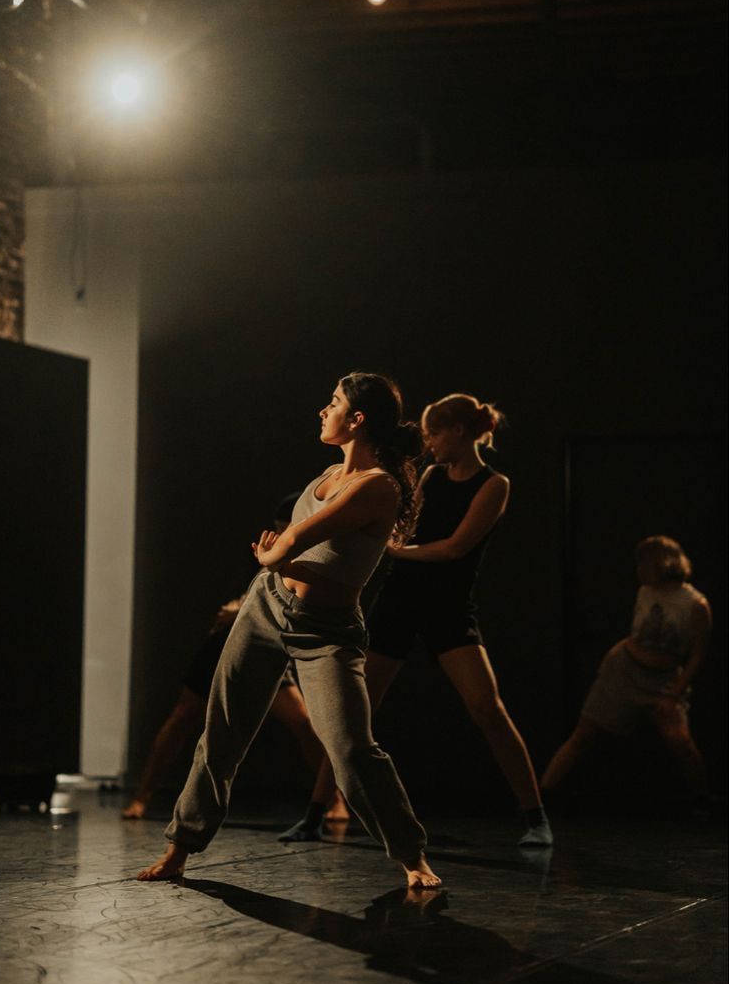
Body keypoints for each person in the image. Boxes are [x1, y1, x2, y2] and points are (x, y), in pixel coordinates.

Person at [137, 372, 440, 889]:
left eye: (334, 403)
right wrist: (272, 560)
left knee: (350, 749)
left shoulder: (379, 488)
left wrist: (271, 552)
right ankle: (179, 849)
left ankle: (413, 858)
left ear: (357, 419)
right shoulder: (324, 474)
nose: (324, 411)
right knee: (223, 731)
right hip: (266, 607)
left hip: (325, 630)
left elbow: (293, 540)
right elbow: (285, 552)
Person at [286, 393, 552, 847]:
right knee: (353, 712)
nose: (428, 443)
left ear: (460, 433)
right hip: (401, 599)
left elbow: (455, 548)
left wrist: (394, 550)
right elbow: (403, 527)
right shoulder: (430, 475)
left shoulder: (494, 484)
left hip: (448, 605)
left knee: (488, 709)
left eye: (433, 433)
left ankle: (536, 818)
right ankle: (313, 814)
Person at [122, 495, 347, 822]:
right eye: (281, 527)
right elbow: (248, 594)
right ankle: (142, 795)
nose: (283, 532)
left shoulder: (312, 554)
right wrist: (235, 609)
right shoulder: (268, 548)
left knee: (303, 723)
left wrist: (240, 609)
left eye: (288, 527)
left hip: (269, 645)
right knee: (184, 716)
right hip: (226, 644)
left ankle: (333, 801)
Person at [541, 535, 711, 804]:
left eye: (643, 563)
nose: (638, 570)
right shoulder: (645, 591)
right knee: (584, 734)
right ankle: (541, 798)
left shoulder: (695, 604)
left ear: (661, 563)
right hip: (625, 670)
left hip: (663, 681)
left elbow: (698, 655)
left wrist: (673, 694)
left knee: (680, 742)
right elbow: (638, 635)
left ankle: (702, 801)